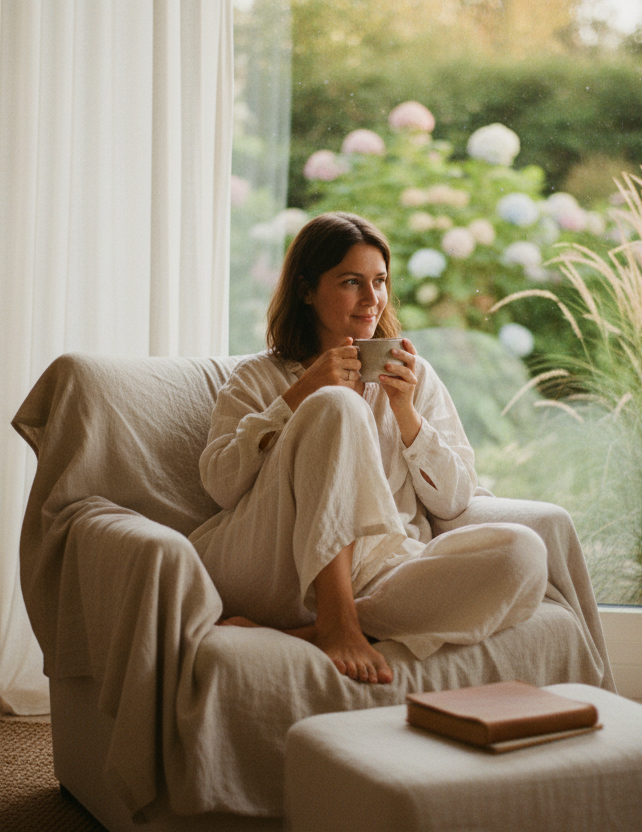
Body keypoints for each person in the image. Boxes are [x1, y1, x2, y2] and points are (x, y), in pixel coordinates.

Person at [188, 212, 548, 684]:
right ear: (306, 289)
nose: (372, 299)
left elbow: (457, 500)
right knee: (336, 405)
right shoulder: (258, 377)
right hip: (274, 560)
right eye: (351, 282)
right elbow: (221, 485)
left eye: (379, 281)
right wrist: (299, 396)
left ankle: (319, 630)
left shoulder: (413, 378)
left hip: (375, 570)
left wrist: (406, 413)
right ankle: (334, 619)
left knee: (523, 553)